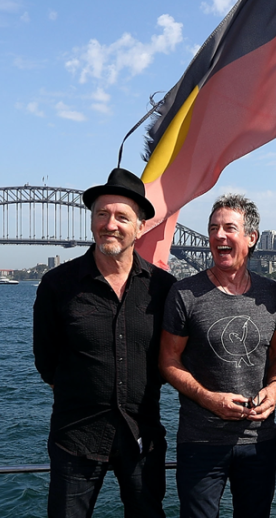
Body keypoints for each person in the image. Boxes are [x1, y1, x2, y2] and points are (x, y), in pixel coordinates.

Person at [33, 168, 175, 518]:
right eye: (101, 214)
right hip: (75, 437)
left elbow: (170, 356)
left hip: (142, 438)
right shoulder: (57, 285)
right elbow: (46, 361)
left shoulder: (163, 288)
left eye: (122, 216)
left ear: (141, 227)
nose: (110, 224)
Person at [159, 194, 276, 518]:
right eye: (213, 228)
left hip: (259, 441)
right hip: (200, 443)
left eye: (229, 228)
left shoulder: (272, 294)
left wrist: (274, 388)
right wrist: (210, 399)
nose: (218, 236)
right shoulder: (184, 293)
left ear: (251, 237)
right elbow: (168, 361)